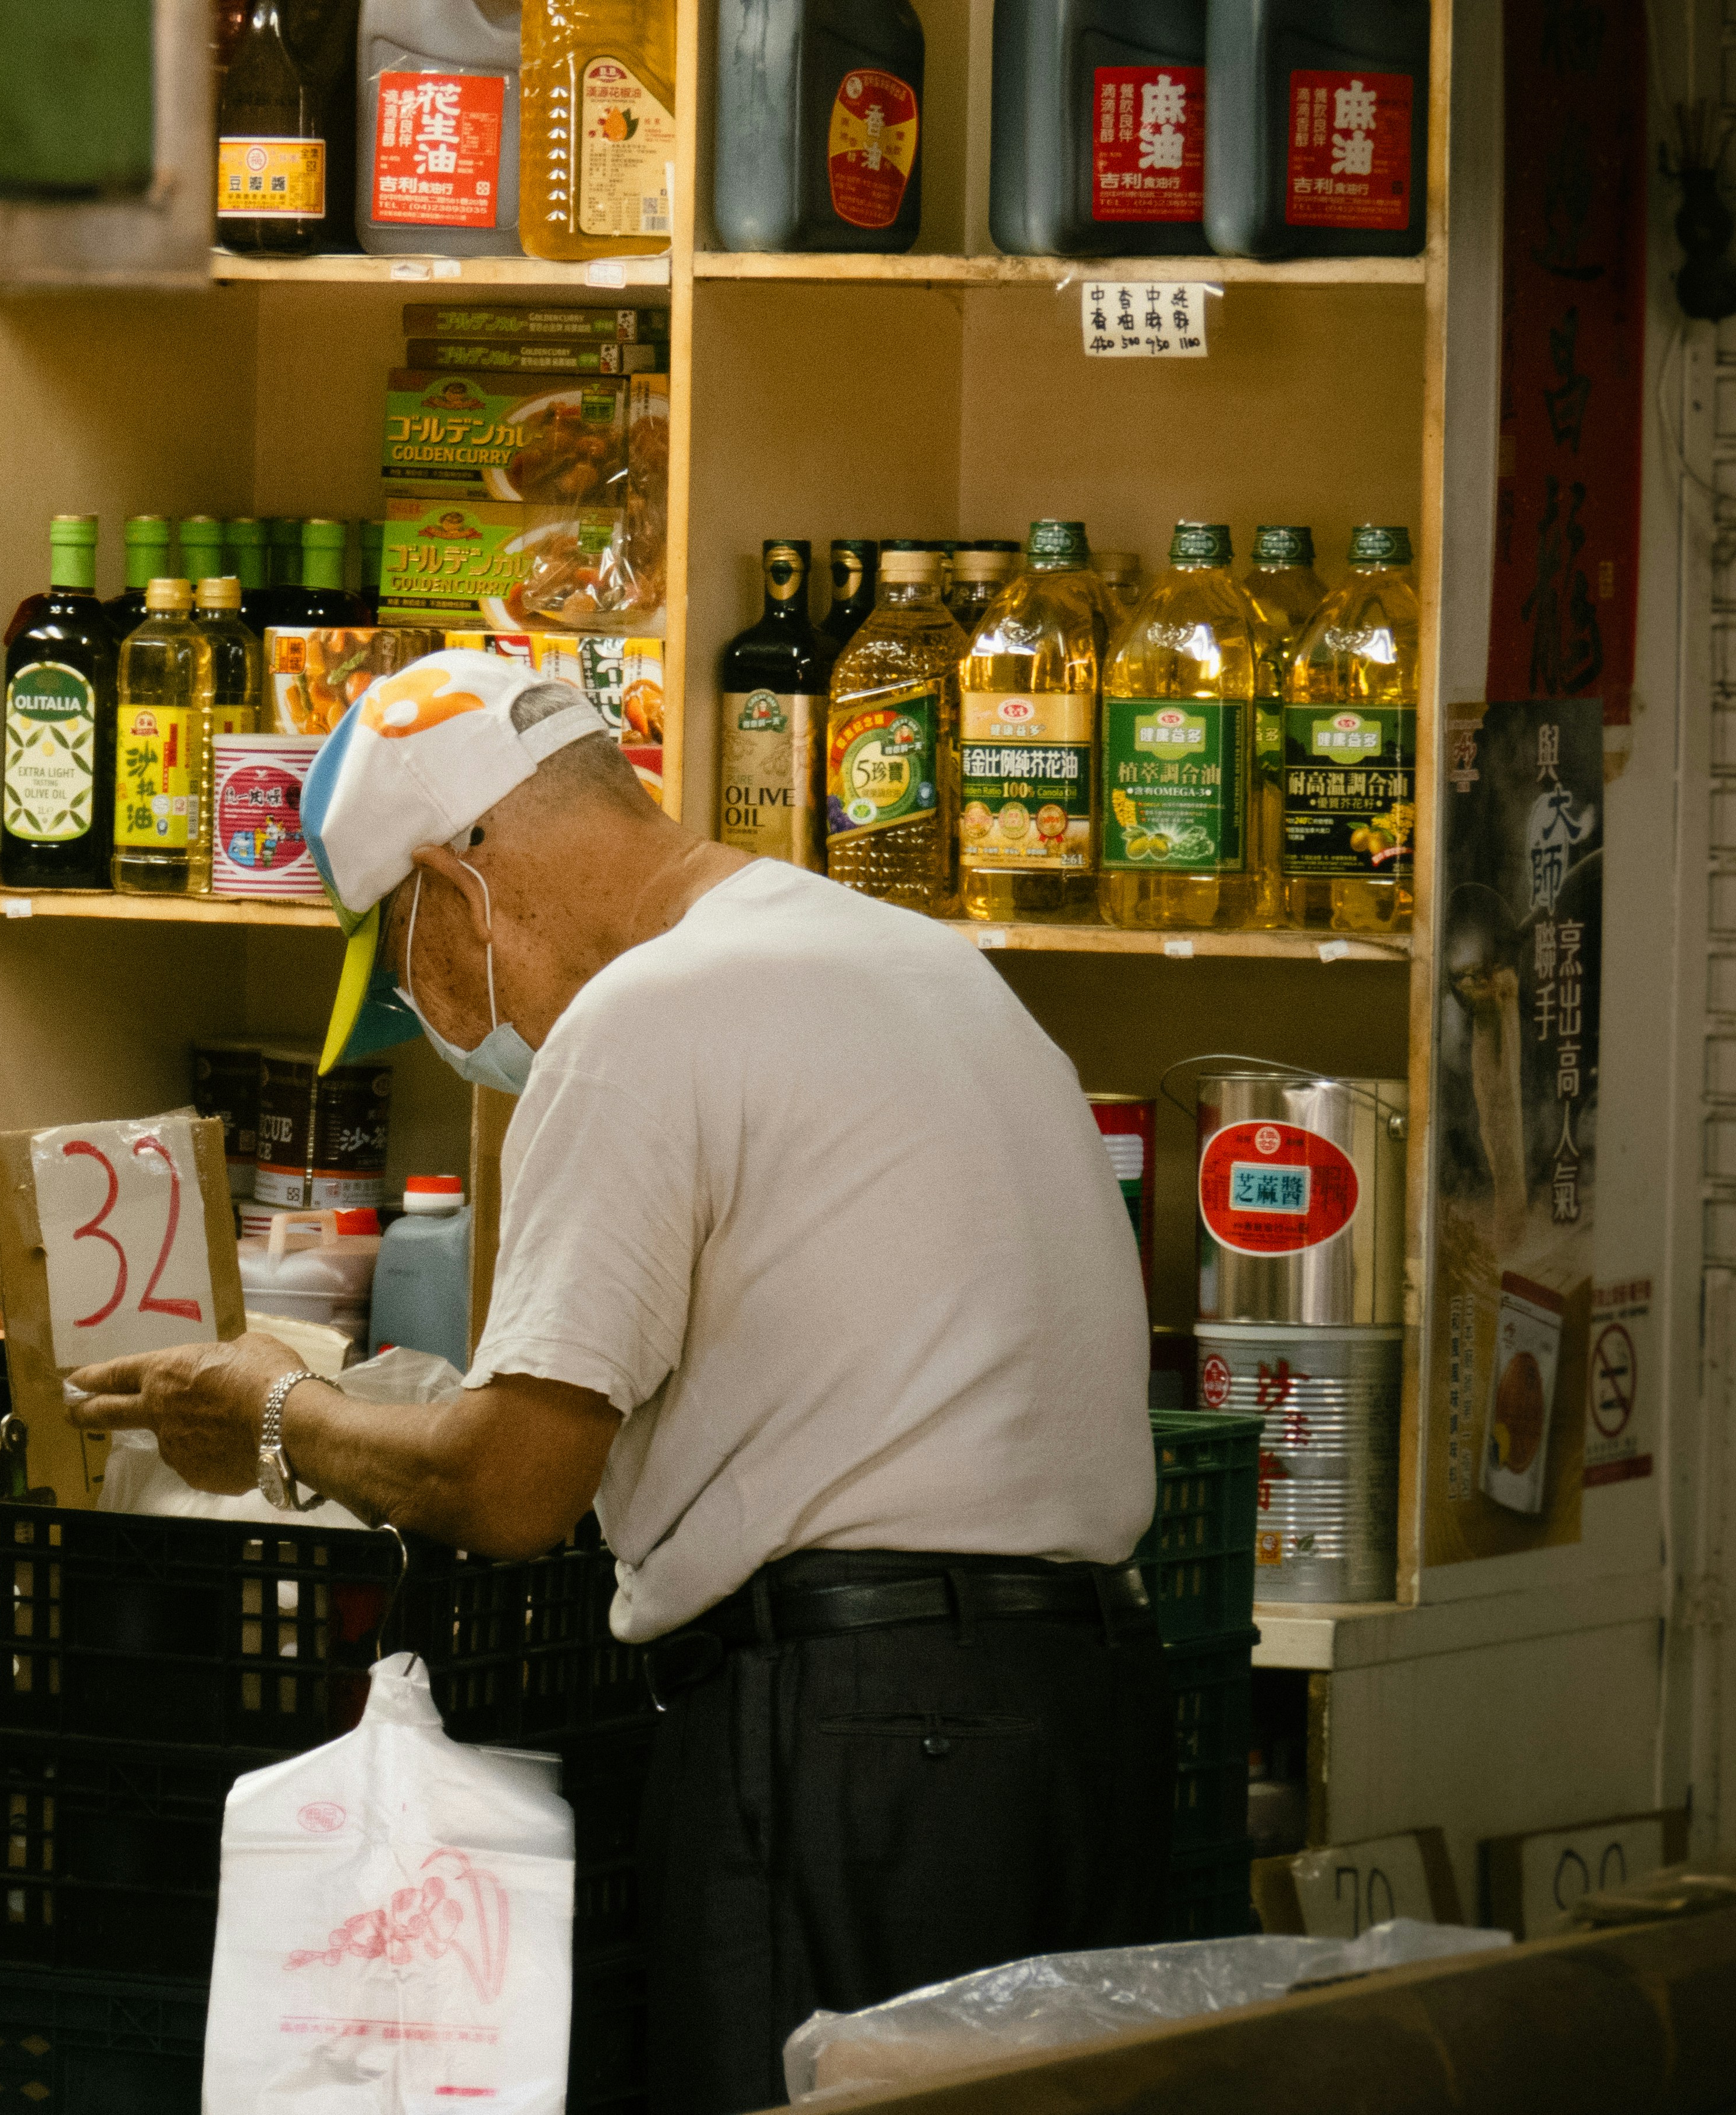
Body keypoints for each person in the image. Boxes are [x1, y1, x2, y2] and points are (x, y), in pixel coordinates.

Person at [66, 651, 1167, 2113]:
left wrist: (274, 1411)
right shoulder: (905, 957)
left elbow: (513, 1489)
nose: (441, 1018)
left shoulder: (645, 1019)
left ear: (453, 883)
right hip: (1077, 1709)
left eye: (405, 965)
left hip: (855, 1734)